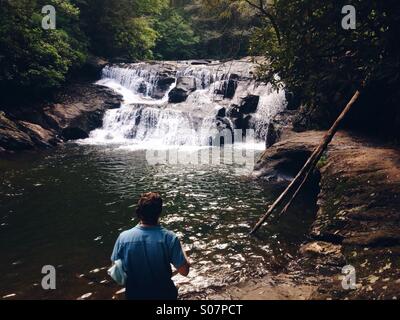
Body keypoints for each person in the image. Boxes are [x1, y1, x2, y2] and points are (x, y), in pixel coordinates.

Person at [110, 192, 190, 300]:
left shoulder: (123, 238)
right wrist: (181, 247)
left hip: (134, 295)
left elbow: (116, 270)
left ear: (139, 212)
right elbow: (184, 272)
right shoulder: (170, 238)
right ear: (159, 212)